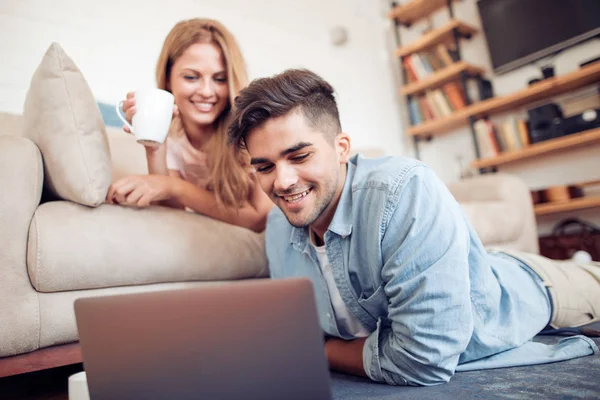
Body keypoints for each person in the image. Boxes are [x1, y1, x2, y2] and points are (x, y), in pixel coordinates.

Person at [227, 69, 600, 386]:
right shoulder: (278, 227)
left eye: (299, 155)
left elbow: (423, 359)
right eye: (265, 167)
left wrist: (320, 352)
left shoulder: (402, 189)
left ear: (341, 148)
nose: (283, 181)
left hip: (538, 289)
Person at [106, 18, 272, 232]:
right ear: (168, 80)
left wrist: (174, 187)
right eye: (192, 77)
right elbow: (171, 213)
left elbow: (258, 218)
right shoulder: (174, 136)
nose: (206, 91)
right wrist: (155, 147)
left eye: (219, 79)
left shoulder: (252, 128)